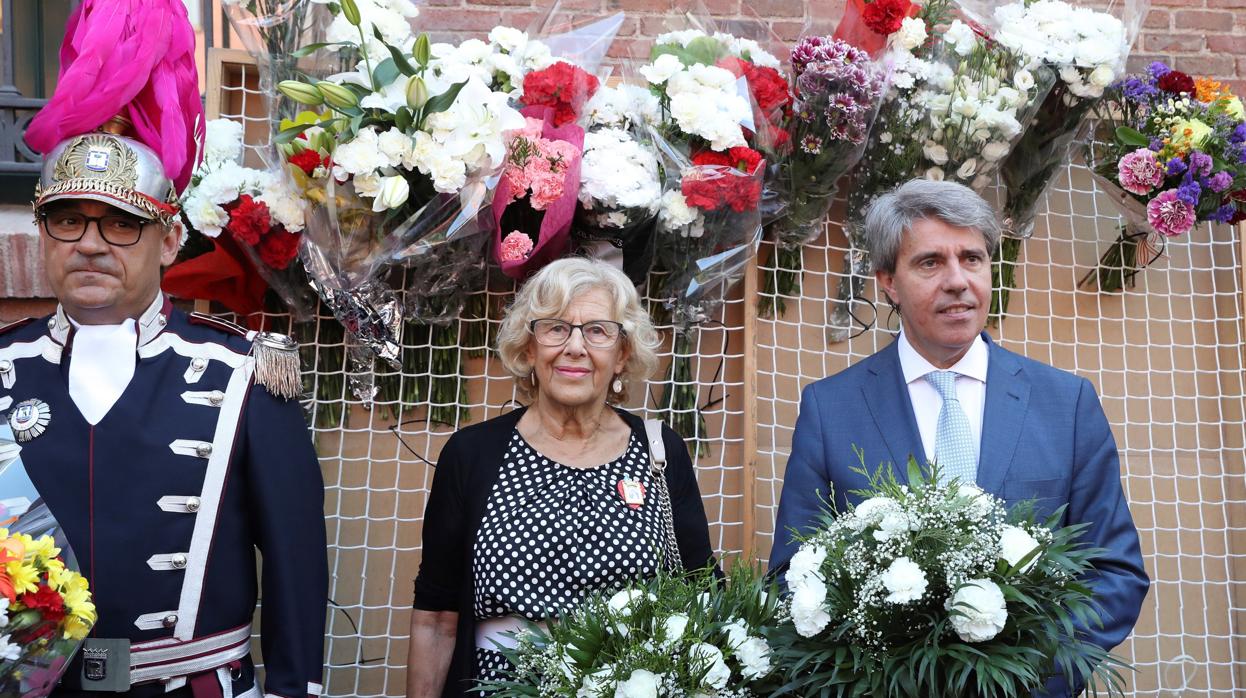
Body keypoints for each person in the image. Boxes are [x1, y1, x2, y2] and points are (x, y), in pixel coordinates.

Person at [0, 2, 328, 696]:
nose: (90, 243)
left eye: (121, 224)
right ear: (44, 236)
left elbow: (296, 564)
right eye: (67, 221)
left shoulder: (244, 374)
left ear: (171, 239)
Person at [769, 179, 1149, 697]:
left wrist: (1023, 678)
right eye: (930, 263)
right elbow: (793, 576)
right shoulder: (830, 408)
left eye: (972, 258)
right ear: (887, 281)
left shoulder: (1067, 404)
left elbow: (1115, 572)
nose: (957, 281)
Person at [406, 258, 716, 697]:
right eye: (555, 328)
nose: (574, 347)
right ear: (529, 348)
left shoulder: (660, 452)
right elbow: (436, 617)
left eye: (598, 331)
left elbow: (702, 591)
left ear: (623, 354)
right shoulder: (472, 455)